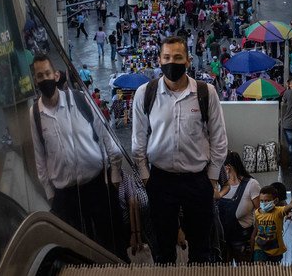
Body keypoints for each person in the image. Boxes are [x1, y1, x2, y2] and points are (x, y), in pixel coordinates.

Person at [131, 36, 228, 264]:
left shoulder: (206, 93)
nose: (171, 62)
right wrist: (147, 178)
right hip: (161, 181)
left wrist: (212, 179)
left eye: (177, 57)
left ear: (188, 61)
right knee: (164, 249)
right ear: (159, 60)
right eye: (166, 57)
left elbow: (219, 140)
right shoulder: (146, 94)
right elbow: (138, 143)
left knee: (201, 248)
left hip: (198, 180)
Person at [29, 54, 125, 257]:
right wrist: (50, 192)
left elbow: (105, 135)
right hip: (65, 193)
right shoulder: (35, 114)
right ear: (35, 81)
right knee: (75, 247)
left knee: (110, 239)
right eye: (40, 76)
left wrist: (115, 170)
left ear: (56, 75)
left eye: (47, 73)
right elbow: (39, 155)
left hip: (96, 185)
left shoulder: (80, 99)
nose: (45, 78)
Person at [219, 151, 260, 263]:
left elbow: (260, 214)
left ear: (227, 168)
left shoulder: (251, 184)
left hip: (243, 241)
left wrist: (254, 237)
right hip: (223, 241)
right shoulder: (219, 186)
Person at [252, 186, 292, 263]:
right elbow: (257, 229)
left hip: (275, 249)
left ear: (275, 201)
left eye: (267, 201)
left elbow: (291, 205)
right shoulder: (257, 212)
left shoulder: (279, 212)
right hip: (260, 247)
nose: (264, 203)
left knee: (274, 271)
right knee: (259, 269)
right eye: (261, 201)